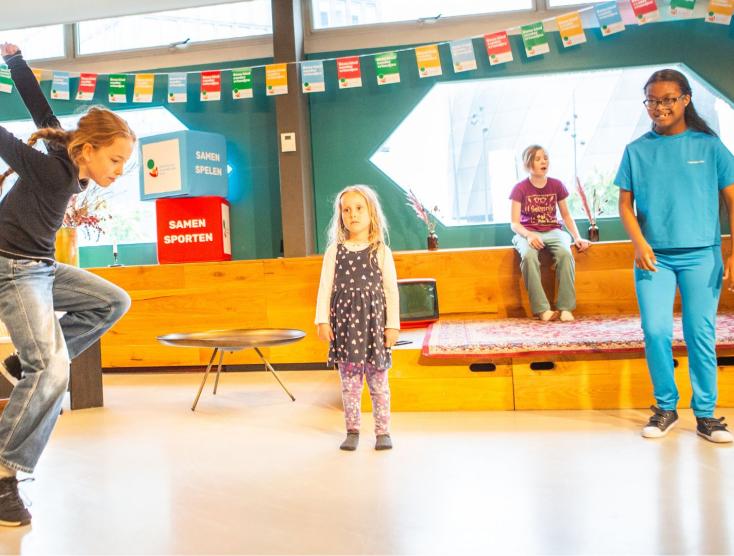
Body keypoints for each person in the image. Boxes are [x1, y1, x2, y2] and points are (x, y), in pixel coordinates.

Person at [0, 43, 136, 526]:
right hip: (12, 268)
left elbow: (41, 110)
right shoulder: (51, 169)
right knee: (53, 373)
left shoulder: (66, 155)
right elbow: (6, 142)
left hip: (40, 265)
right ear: (91, 149)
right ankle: (4, 474)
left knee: (112, 301)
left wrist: (15, 62)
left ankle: (23, 363)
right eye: (116, 161)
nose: (118, 172)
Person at [615, 69, 734, 443]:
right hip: (654, 258)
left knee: (701, 333)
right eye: (652, 100)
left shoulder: (710, 146)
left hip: (703, 255)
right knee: (656, 331)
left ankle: (706, 414)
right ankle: (665, 407)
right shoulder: (636, 150)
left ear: (685, 100)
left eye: (667, 100)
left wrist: (732, 251)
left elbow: (732, 200)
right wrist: (639, 243)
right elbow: (624, 205)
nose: (659, 107)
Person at [315, 185, 399, 451]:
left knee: (378, 384)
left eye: (359, 208)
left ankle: (383, 431)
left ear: (371, 212)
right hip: (346, 329)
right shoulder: (334, 252)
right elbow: (325, 287)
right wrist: (322, 320)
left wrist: (392, 325)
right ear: (341, 216)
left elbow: (390, 291)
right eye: (347, 210)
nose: (353, 214)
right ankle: (352, 430)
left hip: (374, 329)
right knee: (350, 385)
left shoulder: (381, 251)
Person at [509, 145, 590, 322]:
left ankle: (566, 308)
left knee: (565, 254)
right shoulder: (519, 188)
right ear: (528, 165)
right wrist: (529, 235)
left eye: (545, 157)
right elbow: (514, 223)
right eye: (538, 159)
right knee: (529, 256)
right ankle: (542, 310)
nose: (543, 161)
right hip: (527, 232)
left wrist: (577, 237)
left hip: (553, 230)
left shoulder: (557, 185)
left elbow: (566, 216)